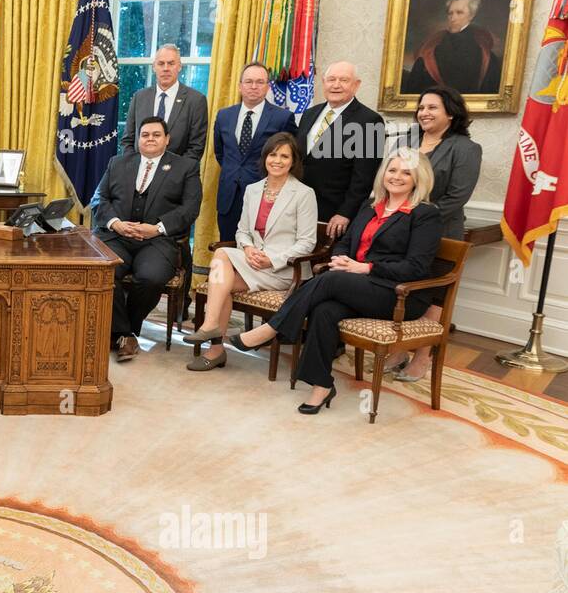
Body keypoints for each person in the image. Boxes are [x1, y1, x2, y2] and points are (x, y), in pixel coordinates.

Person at [228, 148, 443, 415]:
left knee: (329, 282)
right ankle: (321, 386)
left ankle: (272, 328)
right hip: (359, 287)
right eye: (392, 169)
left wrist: (365, 268)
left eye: (406, 172)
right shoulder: (370, 206)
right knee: (324, 310)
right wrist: (341, 259)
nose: (396, 176)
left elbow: (416, 266)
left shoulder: (425, 214)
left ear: (418, 178)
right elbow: (344, 243)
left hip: (397, 295)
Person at [184, 132, 318, 371]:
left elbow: (307, 243)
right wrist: (247, 249)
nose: (277, 160)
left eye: (284, 156)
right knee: (222, 279)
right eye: (273, 154)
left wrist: (271, 259)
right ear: (265, 157)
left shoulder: (304, 193)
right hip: (253, 261)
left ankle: (211, 329)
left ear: (293, 161)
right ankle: (215, 348)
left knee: (222, 258)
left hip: (285, 270)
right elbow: (242, 231)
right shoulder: (253, 189)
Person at [382, 85, 482, 382]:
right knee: (404, 289)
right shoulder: (406, 140)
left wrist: (414, 217)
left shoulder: (466, 149)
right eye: (422, 107)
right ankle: (400, 349)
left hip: (441, 232)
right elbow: (391, 178)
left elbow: (456, 198)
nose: (424, 112)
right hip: (400, 229)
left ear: (451, 113)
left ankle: (424, 355)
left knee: (434, 295)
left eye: (432, 108)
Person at [92, 116, 202, 362]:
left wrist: (158, 228)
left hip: (157, 239)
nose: (150, 139)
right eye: (145, 135)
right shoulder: (118, 162)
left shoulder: (185, 167)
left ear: (167, 139)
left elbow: (190, 208)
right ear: (138, 138)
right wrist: (116, 224)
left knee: (151, 278)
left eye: (156, 135)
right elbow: (99, 198)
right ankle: (125, 334)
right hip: (117, 236)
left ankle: (124, 329)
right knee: (104, 273)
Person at [295, 61, 385, 237]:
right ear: (323, 82)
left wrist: (345, 212)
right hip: (299, 207)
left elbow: (364, 177)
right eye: (331, 79)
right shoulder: (309, 114)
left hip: (334, 213)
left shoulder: (370, 121)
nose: (336, 85)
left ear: (356, 85)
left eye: (344, 80)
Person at [211, 61, 298, 242]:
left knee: (257, 253)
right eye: (249, 81)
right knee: (227, 249)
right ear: (240, 86)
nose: (253, 86)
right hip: (229, 198)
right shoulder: (223, 115)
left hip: (266, 197)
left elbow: (291, 157)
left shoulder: (282, 118)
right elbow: (221, 153)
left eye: (260, 82)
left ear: (267, 87)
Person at [403, 0, 502, 94]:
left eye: (459, 13)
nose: (453, 18)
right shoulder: (434, 44)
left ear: (471, 15)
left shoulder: (483, 51)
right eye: (450, 13)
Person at [123, 44, 208, 165]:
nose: (166, 68)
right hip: (139, 172)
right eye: (161, 63)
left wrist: (174, 174)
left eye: (171, 63)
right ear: (154, 67)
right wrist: (134, 166)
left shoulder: (196, 100)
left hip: (176, 177)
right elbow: (128, 140)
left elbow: (196, 147)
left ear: (179, 67)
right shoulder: (139, 97)